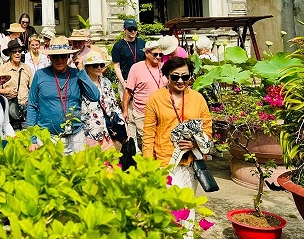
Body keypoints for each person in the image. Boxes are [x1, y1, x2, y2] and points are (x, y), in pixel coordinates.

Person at [143, 57, 212, 234]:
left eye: (185, 76)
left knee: (186, 207)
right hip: (164, 162)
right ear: (167, 76)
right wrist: (147, 165)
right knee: (165, 207)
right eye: (175, 77)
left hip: (190, 162)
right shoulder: (156, 99)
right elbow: (149, 133)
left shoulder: (198, 99)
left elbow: (207, 129)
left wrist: (194, 142)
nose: (180, 81)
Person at [27, 36, 100, 155]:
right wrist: (32, 139)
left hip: (75, 136)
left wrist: (81, 69)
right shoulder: (40, 75)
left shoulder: (77, 74)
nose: (59, 59)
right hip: (48, 137)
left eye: (63, 56)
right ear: (49, 57)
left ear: (69, 57)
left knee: (78, 172)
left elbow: (95, 96)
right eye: (55, 56)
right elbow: (32, 106)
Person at [122, 40, 167, 152]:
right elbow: (128, 91)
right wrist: (125, 111)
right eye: (155, 54)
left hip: (162, 111)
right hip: (142, 111)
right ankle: (149, 165)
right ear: (147, 53)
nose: (158, 57)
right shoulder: (136, 68)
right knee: (148, 141)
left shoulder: (164, 67)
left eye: (161, 54)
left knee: (161, 140)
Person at [81, 53, 126, 150]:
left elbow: (114, 104)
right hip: (90, 130)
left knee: (111, 161)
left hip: (109, 129)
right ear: (87, 67)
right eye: (95, 65)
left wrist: (122, 122)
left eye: (101, 65)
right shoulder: (81, 84)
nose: (99, 68)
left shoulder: (106, 81)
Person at [0, 39, 34, 131]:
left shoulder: (27, 68)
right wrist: (6, 91)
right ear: (10, 53)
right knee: (14, 136)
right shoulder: (3, 69)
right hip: (10, 108)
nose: (18, 53)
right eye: (15, 51)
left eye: (20, 51)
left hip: (25, 108)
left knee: (28, 135)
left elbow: (32, 89)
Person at [111, 19, 146, 99]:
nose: (133, 32)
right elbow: (116, 66)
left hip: (141, 80)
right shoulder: (118, 46)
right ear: (124, 30)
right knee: (127, 108)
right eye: (130, 29)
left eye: (135, 29)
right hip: (126, 80)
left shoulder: (143, 43)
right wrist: (123, 83)